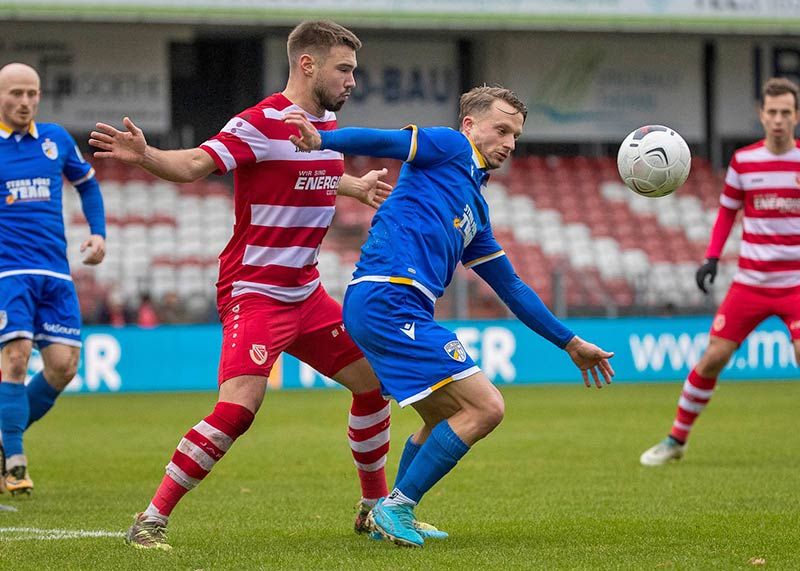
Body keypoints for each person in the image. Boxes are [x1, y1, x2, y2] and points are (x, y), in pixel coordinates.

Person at [89, 20, 442, 550]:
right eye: (343, 69)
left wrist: (353, 185)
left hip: (306, 293)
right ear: (307, 65)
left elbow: (308, 169)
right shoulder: (259, 122)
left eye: (353, 70)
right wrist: (147, 156)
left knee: (374, 385)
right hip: (254, 292)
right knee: (237, 411)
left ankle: (373, 508)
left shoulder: (323, 132)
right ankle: (150, 519)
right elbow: (194, 164)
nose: (352, 80)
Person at [285, 85, 616, 547]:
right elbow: (387, 141)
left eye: (516, 135)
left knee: (444, 415)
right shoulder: (450, 147)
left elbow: (512, 288)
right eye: (501, 129)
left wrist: (570, 342)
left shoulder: (475, 209)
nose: (509, 142)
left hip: (396, 304)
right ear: (469, 125)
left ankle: (392, 512)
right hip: (388, 298)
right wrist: (323, 141)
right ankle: (396, 507)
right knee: (486, 407)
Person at [640, 77, 800, 467]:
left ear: (795, 116)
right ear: (761, 115)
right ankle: (676, 440)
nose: (778, 119)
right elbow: (728, 211)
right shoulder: (744, 161)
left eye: (786, 112)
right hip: (751, 283)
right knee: (712, 358)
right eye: (772, 112)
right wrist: (711, 258)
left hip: (795, 284)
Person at [0, 62, 106, 496]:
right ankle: (15, 461)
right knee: (17, 356)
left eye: (32, 93)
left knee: (63, 367)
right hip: (8, 272)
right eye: (16, 94)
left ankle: (4, 436)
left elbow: (88, 185)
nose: (25, 102)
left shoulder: (55, 139)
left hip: (55, 272)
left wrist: (98, 232)